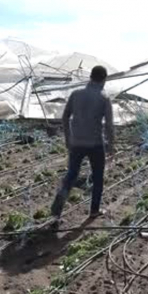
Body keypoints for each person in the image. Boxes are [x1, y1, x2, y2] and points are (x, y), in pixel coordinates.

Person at [50, 65, 114, 222]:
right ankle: (94, 211)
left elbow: (65, 117)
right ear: (104, 80)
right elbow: (109, 125)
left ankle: (57, 208)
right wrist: (111, 143)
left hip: (76, 142)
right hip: (96, 144)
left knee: (71, 175)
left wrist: (67, 138)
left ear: (90, 77)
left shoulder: (75, 94)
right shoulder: (104, 98)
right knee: (98, 177)